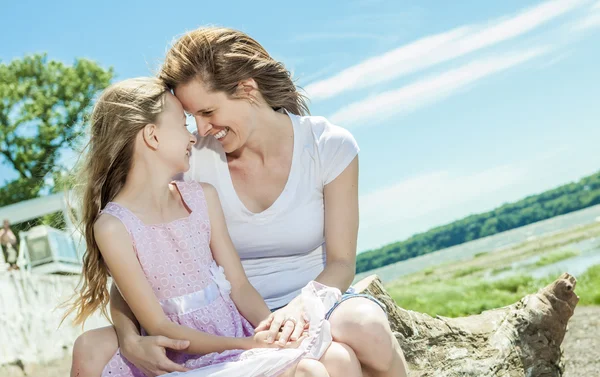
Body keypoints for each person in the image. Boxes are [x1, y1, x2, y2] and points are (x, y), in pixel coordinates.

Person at [71, 27, 408, 377]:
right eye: (190, 118)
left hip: (310, 299)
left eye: (207, 112)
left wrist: (299, 310)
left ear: (247, 90)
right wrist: (129, 337)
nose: (200, 130)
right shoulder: (191, 161)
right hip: (230, 318)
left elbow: (341, 262)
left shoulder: (328, 145)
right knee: (92, 348)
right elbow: (144, 261)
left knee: (366, 330)